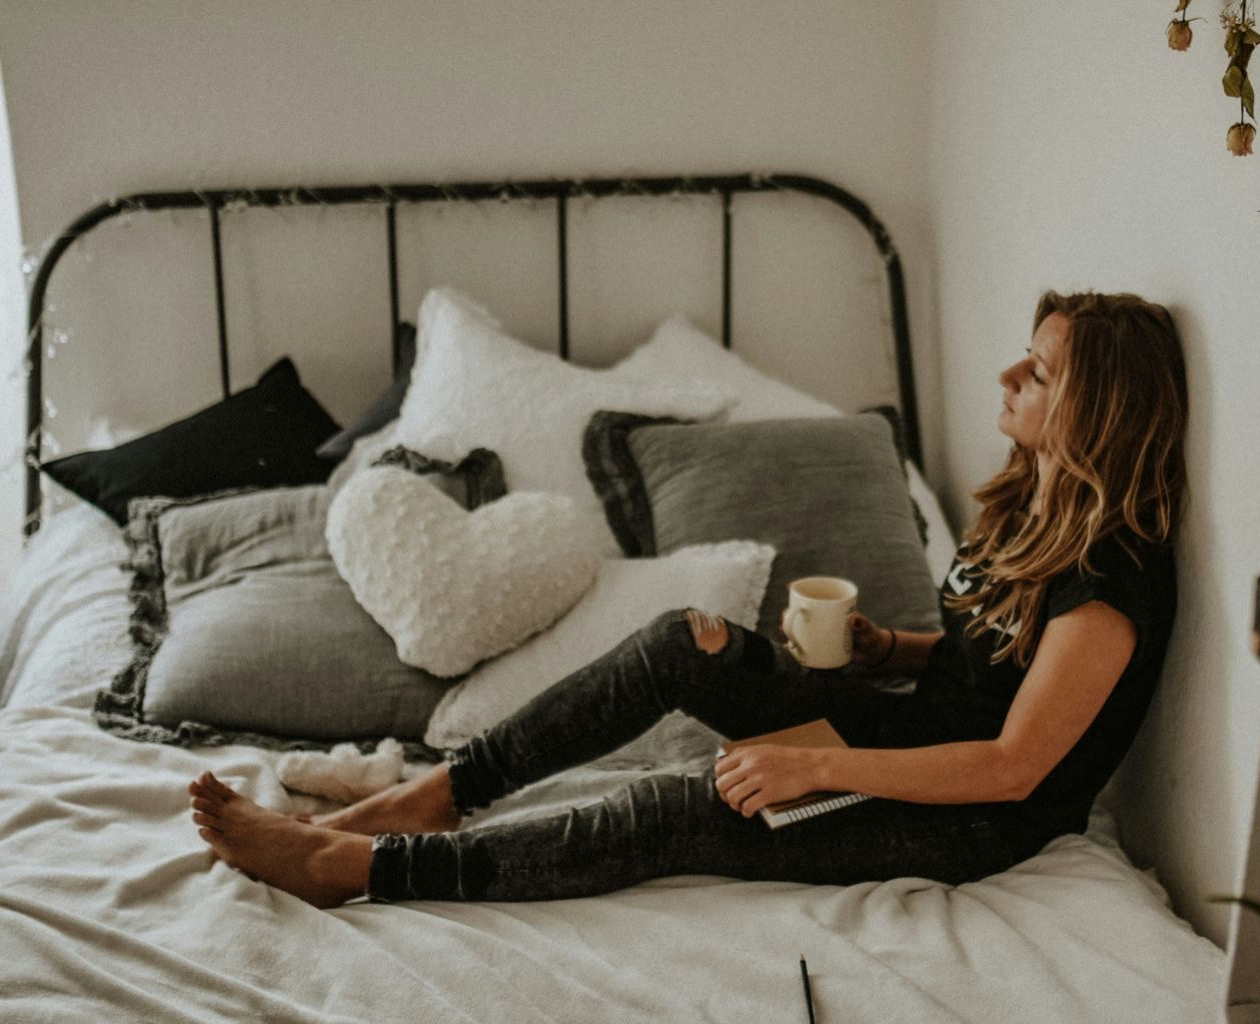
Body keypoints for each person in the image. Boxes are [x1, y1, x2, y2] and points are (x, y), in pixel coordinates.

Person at [188, 290, 1189, 909]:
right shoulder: (1029, 507)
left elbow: (1013, 767)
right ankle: (435, 796)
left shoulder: (1112, 584)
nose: (1010, 372)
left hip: (964, 817)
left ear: (1092, 410)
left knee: (682, 805)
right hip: (899, 734)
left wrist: (811, 761)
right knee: (688, 642)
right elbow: (991, 666)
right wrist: (897, 650)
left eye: (1040, 369)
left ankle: (356, 871)